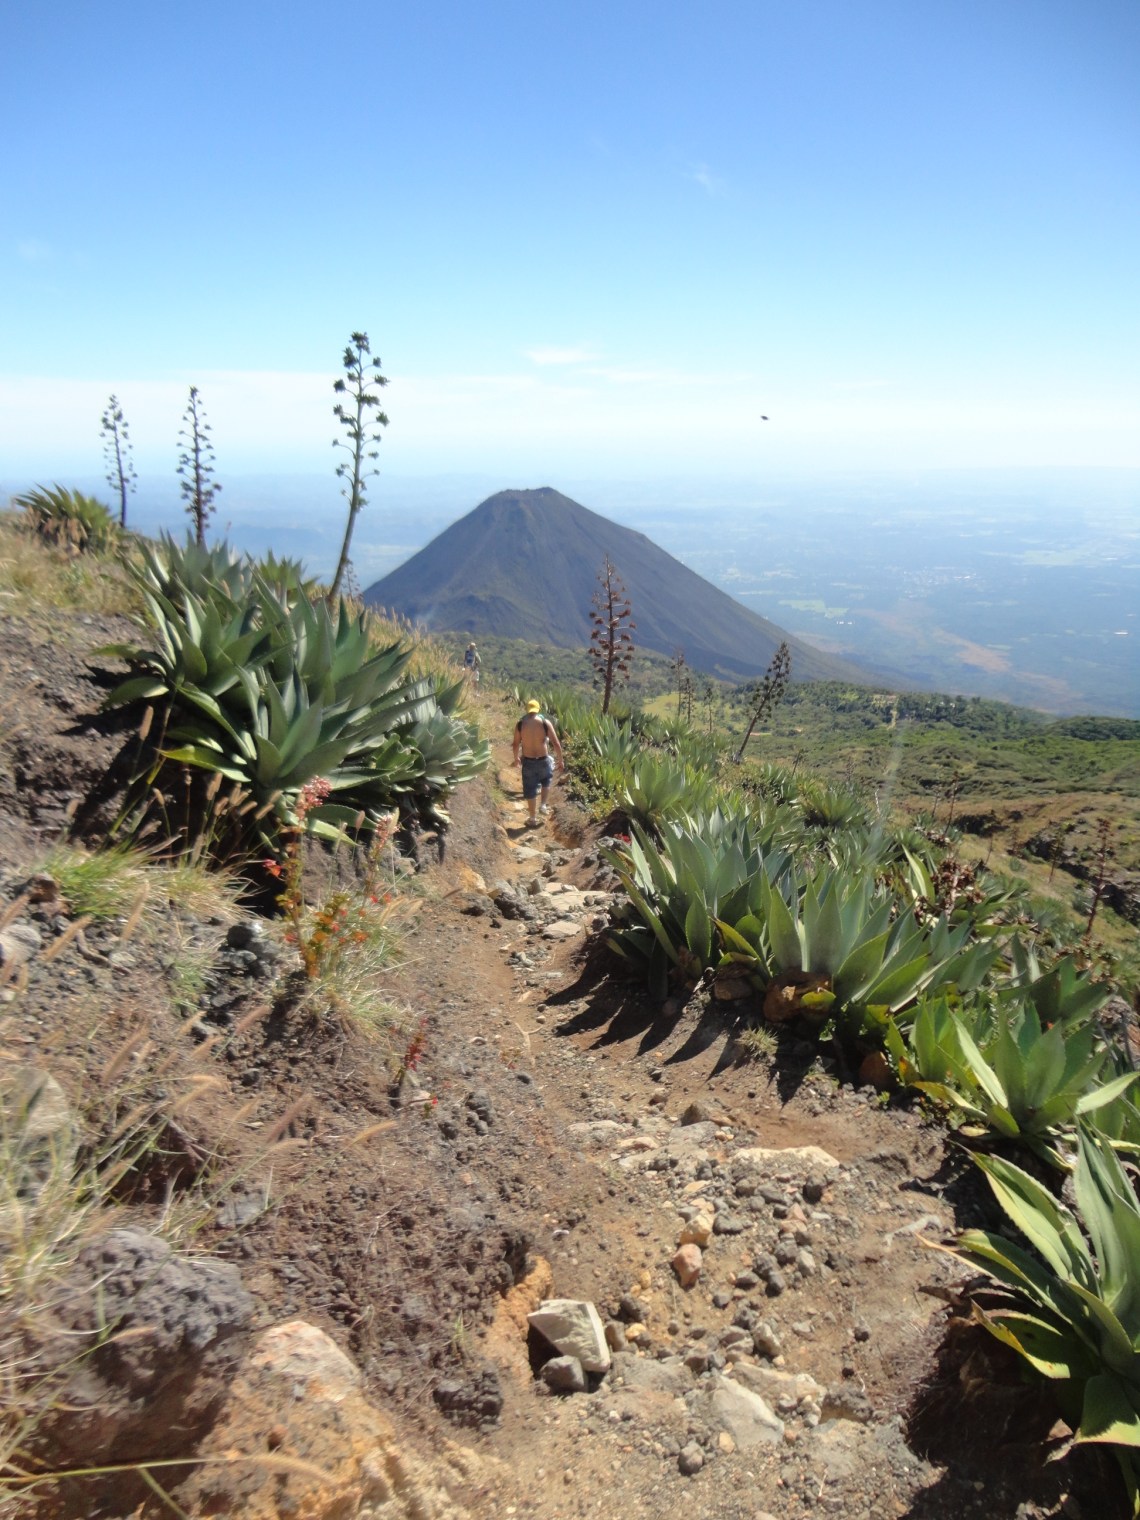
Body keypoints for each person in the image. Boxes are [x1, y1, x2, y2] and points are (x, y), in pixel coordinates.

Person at [512, 699, 565, 827]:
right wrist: (560, 760)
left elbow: (515, 744)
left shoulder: (520, 724)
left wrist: (516, 758)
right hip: (543, 759)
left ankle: (532, 818)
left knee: (530, 789)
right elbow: (556, 743)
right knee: (546, 780)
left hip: (528, 761)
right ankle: (543, 805)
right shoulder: (545, 723)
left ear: (527, 709)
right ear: (538, 709)